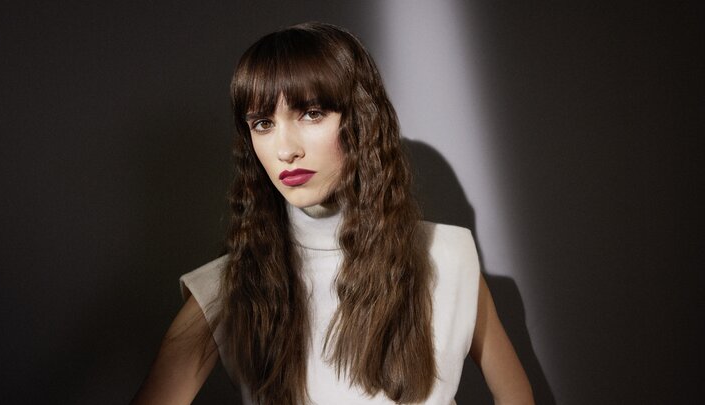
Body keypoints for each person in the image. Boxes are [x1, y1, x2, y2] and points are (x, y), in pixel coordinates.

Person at [132, 22, 534, 405]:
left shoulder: (447, 257)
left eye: (311, 113)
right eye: (263, 123)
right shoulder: (228, 288)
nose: (286, 149)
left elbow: (515, 395)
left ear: (361, 120)